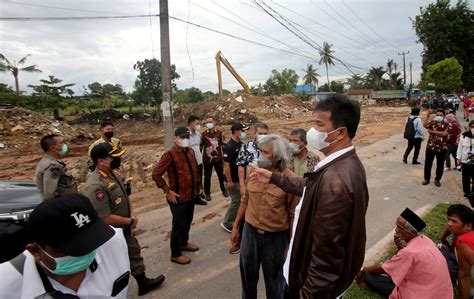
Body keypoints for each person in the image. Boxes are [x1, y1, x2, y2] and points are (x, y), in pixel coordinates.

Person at [250, 95, 369, 298]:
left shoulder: (336, 181)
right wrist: (272, 177)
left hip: (307, 287)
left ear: (340, 132)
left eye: (319, 124)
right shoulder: (343, 165)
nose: (313, 131)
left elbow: (326, 261)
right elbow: (310, 187)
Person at [0, 194, 131, 298]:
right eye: (73, 248)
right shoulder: (5, 286)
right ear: (36, 251)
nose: (86, 251)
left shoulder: (113, 241)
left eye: (91, 240)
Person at [83, 143, 165, 295]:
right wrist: (129, 221)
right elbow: (105, 218)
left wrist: (131, 218)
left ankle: (143, 282)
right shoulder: (95, 185)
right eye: (112, 157)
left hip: (125, 226)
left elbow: (125, 196)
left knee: (134, 253)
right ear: (101, 161)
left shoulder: (113, 174)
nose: (117, 159)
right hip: (111, 233)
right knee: (115, 264)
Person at [231, 134, 299, 299]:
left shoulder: (290, 180)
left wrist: (290, 246)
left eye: (266, 153)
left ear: (277, 157)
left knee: (275, 284)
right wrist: (235, 227)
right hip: (250, 232)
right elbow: (245, 200)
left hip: (275, 238)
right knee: (247, 277)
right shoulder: (253, 171)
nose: (260, 155)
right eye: (260, 151)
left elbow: (293, 216)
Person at [356, 208, 453, 299]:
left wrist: (364, 270)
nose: (396, 230)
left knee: (370, 276)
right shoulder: (426, 240)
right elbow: (408, 261)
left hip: (421, 295)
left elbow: (385, 269)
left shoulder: (409, 252)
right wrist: (400, 248)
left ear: (409, 231)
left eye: (400, 227)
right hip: (443, 294)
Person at [152, 127, 203, 265]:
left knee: (188, 221)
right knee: (178, 225)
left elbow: (195, 171)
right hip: (178, 197)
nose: (185, 140)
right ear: (175, 139)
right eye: (182, 137)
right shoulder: (170, 155)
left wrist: (199, 186)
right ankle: (175, 253)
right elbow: (156, 174)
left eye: (187, 137)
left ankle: (184, 243)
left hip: (191, 194)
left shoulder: (191, 151)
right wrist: (167, 190)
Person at [439, 204, 474, 298]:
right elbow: (442, 237)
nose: (449, 224)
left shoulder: (464, 242)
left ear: (468, 226)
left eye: (454, 221)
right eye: (448, 219)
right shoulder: (463, 230)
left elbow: (464, 276)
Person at [220, 122, 249, 233]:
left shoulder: (240, 144)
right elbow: (226, 165)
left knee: (240, 200)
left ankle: (238, 220)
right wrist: (229, 181)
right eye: (242, 131)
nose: (244, 133)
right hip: (232, 180)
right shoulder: (229, 146)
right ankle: (227, 223)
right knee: (237, 201)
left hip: (238, 179)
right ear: (236, 132)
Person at [35, 134, 77, 200]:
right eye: (61, 143)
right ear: (53, 148)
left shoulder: (46, 161)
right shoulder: (52, 166)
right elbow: (49, 194)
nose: (64, 145)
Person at [237, 123, 269, 196]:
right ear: (255, 134)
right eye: (260, 133)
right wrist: (242, 185)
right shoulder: (246, 147)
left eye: (265, 134)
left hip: (268, 184)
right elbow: (241, 166)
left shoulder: (272, 147)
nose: (263, 136)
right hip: (252, 182)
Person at [201, 117, 229, 201]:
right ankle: (207, 193)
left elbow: (224, 146)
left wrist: (225, 158)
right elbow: (200, 146)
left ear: (214, 122)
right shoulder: (203, 134)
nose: (209, 124)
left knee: (221, 175)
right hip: (207, 160)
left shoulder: (220, 133)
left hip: (218, 159)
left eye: (210, 122)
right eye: (207, 122)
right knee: (207, 177)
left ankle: (224, 190)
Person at [422, 109, 450, 187]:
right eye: (437, 115)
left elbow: (445, 134)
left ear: (444, 116)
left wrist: (432, 132)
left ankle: (437, 179)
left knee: (440, 164)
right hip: (431, 146)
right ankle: (426, 179)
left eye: (441, 115)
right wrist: (427, 116)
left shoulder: (448, 123)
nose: (439, 117)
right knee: (428, 163)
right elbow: (425, 125)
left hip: (442, 147)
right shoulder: (433, 122)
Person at [187, 115, 207, 205]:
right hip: (190, 163)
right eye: (197, 123)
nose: (199, 125)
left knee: (199, 179)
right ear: (191, 124)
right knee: (192, 180)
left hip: (199, 161)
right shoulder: (186, 135)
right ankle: (193, 198)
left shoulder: (198, 134)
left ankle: (198, 194)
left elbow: (199, 146)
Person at [457, 120, 474, 198]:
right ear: (469, 127)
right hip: (465, 160)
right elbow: (460, 148)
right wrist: (458, 158)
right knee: (465, 177)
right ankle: (466, 192)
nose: (473, 128)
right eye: (472, 127)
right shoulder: (463, 136)